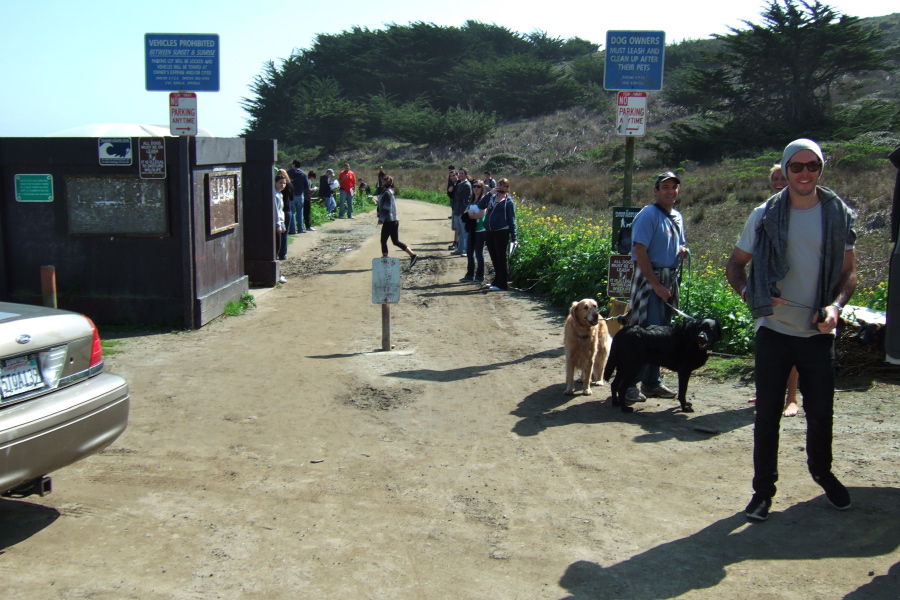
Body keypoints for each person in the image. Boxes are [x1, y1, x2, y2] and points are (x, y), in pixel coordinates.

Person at [726, 138, 858, 521]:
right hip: (774, 331)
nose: (804, 173)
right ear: (785, 170)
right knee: (767, 415)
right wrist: (753, 292)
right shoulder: (764, 214)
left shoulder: (838, 214)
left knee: (821, 413)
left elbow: (850, 273)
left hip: (818, 334)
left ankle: (822, 472)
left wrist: (835, 307)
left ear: (821, 169)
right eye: (796, 167)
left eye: (812, 166)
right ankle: (762, 492)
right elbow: (736, 265)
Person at [622, 172, 688, 404]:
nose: (671, 191)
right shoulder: (647, 215)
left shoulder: (677, 217)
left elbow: (677, 243)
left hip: (669, 280)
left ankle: (652, 382)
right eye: (665, 187)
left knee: (663, 334)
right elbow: (640, 252)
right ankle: (629, 384)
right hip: (652, 282)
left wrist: (681, 251)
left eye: (674, 187)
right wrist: (656, 285)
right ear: (656, 191)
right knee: (645, 334)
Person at [770, 164, 801, 417]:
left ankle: (791, 397)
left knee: (791, 347)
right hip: (769, 291)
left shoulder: (800, 209)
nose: (779, 181)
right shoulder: (767, 209)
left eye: (782, 177)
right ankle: (769, 392)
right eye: (774, 178)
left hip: (793, 288)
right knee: (768, 342)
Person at [474, 177, 517, 291]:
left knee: (501, 258)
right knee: (493, 257)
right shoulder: (492, 198)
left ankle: (502, 284)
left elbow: (512, 220)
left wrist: (514, 237)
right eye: (500, 185)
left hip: (502, 231)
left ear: (507, 188)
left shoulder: (508, 202)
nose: (502, 187)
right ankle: (496, 281)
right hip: (489, 231)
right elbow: (480, 206)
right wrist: (489, 194)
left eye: (504, 186)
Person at [376, 175, 418, 267]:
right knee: (395, 241)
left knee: (383, 241)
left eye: (384, 179)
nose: (382, 180)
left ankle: (385, 260)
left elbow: (387, 208)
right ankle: (413, 255)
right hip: (395, 220)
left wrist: (381, 219)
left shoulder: (387, 192)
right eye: (382, 179)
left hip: (389, 220)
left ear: (388, 182)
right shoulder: (390, 192)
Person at [460, 179, 487, 283]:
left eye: (478, 187)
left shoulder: (483, 200)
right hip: (472, 229)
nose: (476, 188)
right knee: (470, 252)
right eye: (474, 186)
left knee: (479, 253)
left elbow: (481, 214)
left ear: (482, 188)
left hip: (480, 230)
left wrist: (470, 216)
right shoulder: (472, 199)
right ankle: (470, 274)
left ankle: (480, 276)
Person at [452, 168, 472, 256]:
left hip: (462, 212)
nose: (460, 175)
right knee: (460, 232)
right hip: (457, 210)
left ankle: (466, 250)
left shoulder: (466, 185)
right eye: (459, 173)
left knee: (465, 233)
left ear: (465, 174)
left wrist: (463, 211)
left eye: (462, 173)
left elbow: (461, 197)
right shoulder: (460, 184)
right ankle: (460, 249)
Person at [287, 160, 310, 233]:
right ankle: (301, 229)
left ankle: (293, 229)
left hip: (291, 195)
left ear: (294, 165)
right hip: (300, 195)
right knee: (300, 212)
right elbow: (307, 186)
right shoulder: (303, 174)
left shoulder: (289, 172)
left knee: (292, 212)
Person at [273, 175, 288, 283]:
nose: (282, 185)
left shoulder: (279, 194)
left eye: (284, 183)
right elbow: (276, 212)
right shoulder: (275, 195)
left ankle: (278, 274)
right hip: (276, 224)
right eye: (280, 183)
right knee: (276, 249)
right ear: (275, 183)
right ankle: (277, 275)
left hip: (280, 222)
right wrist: (279, 225)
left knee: (278, 249)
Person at [277, 168, 297, 235]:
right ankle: (293, 230)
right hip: (287, 207)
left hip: (279, 209)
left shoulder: (276, 186)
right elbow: (291, 198)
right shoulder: (289, 184)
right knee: (285, 231)